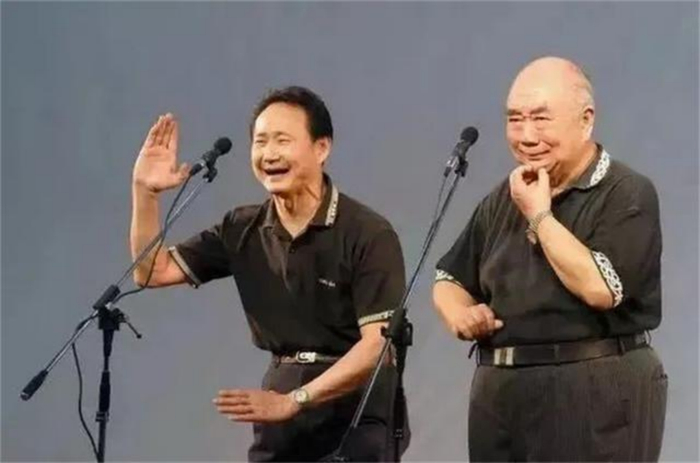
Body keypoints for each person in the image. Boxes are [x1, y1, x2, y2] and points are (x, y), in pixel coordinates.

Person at [130, 86, 409, 461]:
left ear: (321, 148)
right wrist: (145, 194)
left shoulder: (367, 232)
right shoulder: (242, 227)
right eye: (260, 142)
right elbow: (151, 272)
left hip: (357, 403)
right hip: (280, 397)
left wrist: (296, 400)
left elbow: (378, 348)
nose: (269, 154)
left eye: (282, 140)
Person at [432, 56, 667, 461]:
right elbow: (448, 278)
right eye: (515, 120)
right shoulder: (503, 197)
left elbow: (601, 288)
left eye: (541, 119)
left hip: (593, 389)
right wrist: (460, 314)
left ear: (586, 120)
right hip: (502, 393)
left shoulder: (626, 192)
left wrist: (540, 216)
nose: (526, 136)